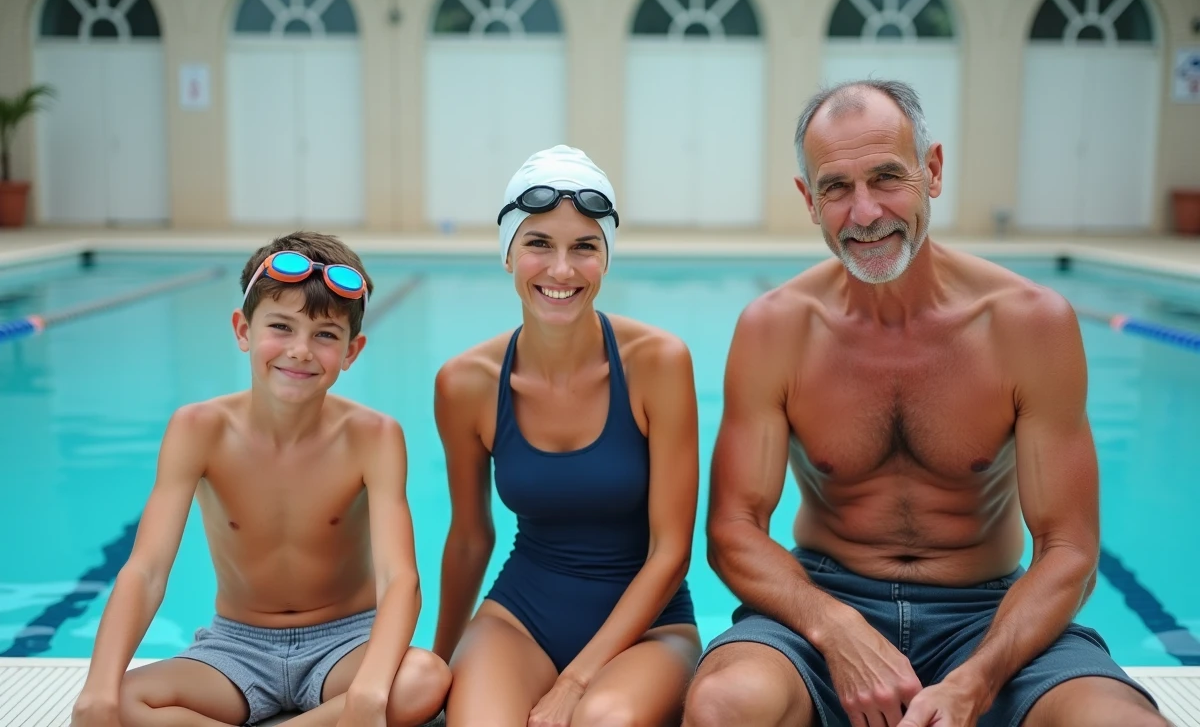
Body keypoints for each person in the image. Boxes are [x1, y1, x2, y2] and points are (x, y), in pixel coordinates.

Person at [682, 81, 1165, 727]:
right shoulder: (778, 329)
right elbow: (733, 529)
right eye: (836, 188)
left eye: (887, 178)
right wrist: (835, 627)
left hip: (990, 614)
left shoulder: (1026, 325)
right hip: (825, 601)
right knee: (723, 705)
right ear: (808, 199)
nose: (865, 213)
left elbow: (1068, 546)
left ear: (931, 171)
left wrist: (978, 679)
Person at [71, 231, 450, 727]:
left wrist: (371, 691)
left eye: (325, 335)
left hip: (346, 643)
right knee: (121, 700)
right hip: (236, 648)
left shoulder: (373, 436)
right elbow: (146, 570)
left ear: (352, 350)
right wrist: (96, 690)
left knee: (425, 678)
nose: (300, 351)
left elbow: (399, 578)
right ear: (243, 330)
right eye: (281, 327)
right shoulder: (198, 429)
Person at [432, 145, 701, 726]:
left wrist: (577, 681)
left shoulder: (657, 363)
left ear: (606, 258)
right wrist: (436, 664)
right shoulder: (466, 383)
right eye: (538, 244)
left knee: (602, 722)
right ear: (508, 254)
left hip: (649, 632)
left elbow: (672, 550)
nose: (561, 270)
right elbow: (470, 538)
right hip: (518, 619)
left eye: (585, 247)